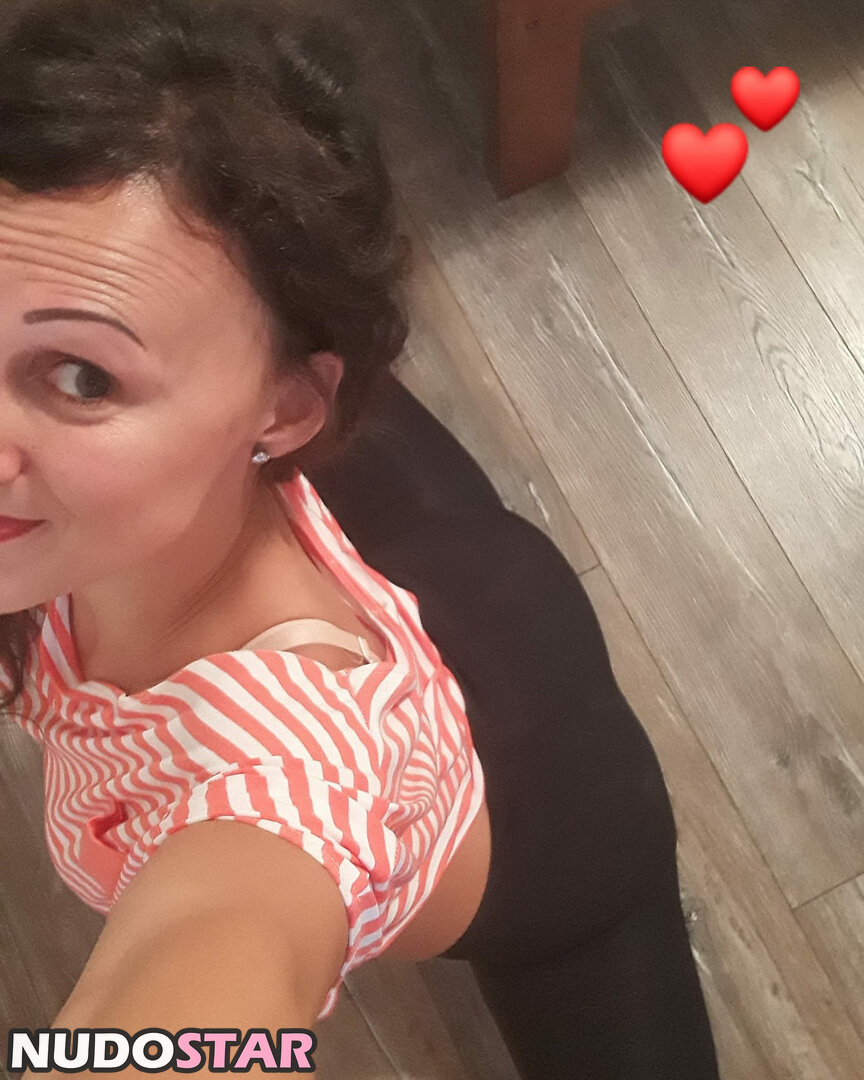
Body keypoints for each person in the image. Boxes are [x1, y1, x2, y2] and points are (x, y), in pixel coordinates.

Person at [0, 0, 720, 1076]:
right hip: (400, 530)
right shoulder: (140, 466)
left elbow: (219, 955)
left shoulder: (284, 777)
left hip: (560, 817)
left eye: (81, 376)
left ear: (284, 411)